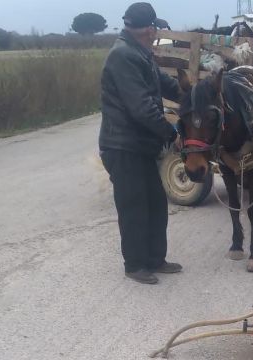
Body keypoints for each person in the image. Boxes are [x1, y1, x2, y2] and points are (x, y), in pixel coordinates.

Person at [99, 2, 182, 284]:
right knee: (133, 207)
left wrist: (194, 93)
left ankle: (155, 259)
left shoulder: (140, 53)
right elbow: (142, 108)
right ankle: (135, 265)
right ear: (147, 29)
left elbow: (164, 84)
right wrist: (172, 134)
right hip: (122, 146)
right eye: (155, 28)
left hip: (139, 146)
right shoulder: (122, 56)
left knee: (155, 204)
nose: (156, 33)